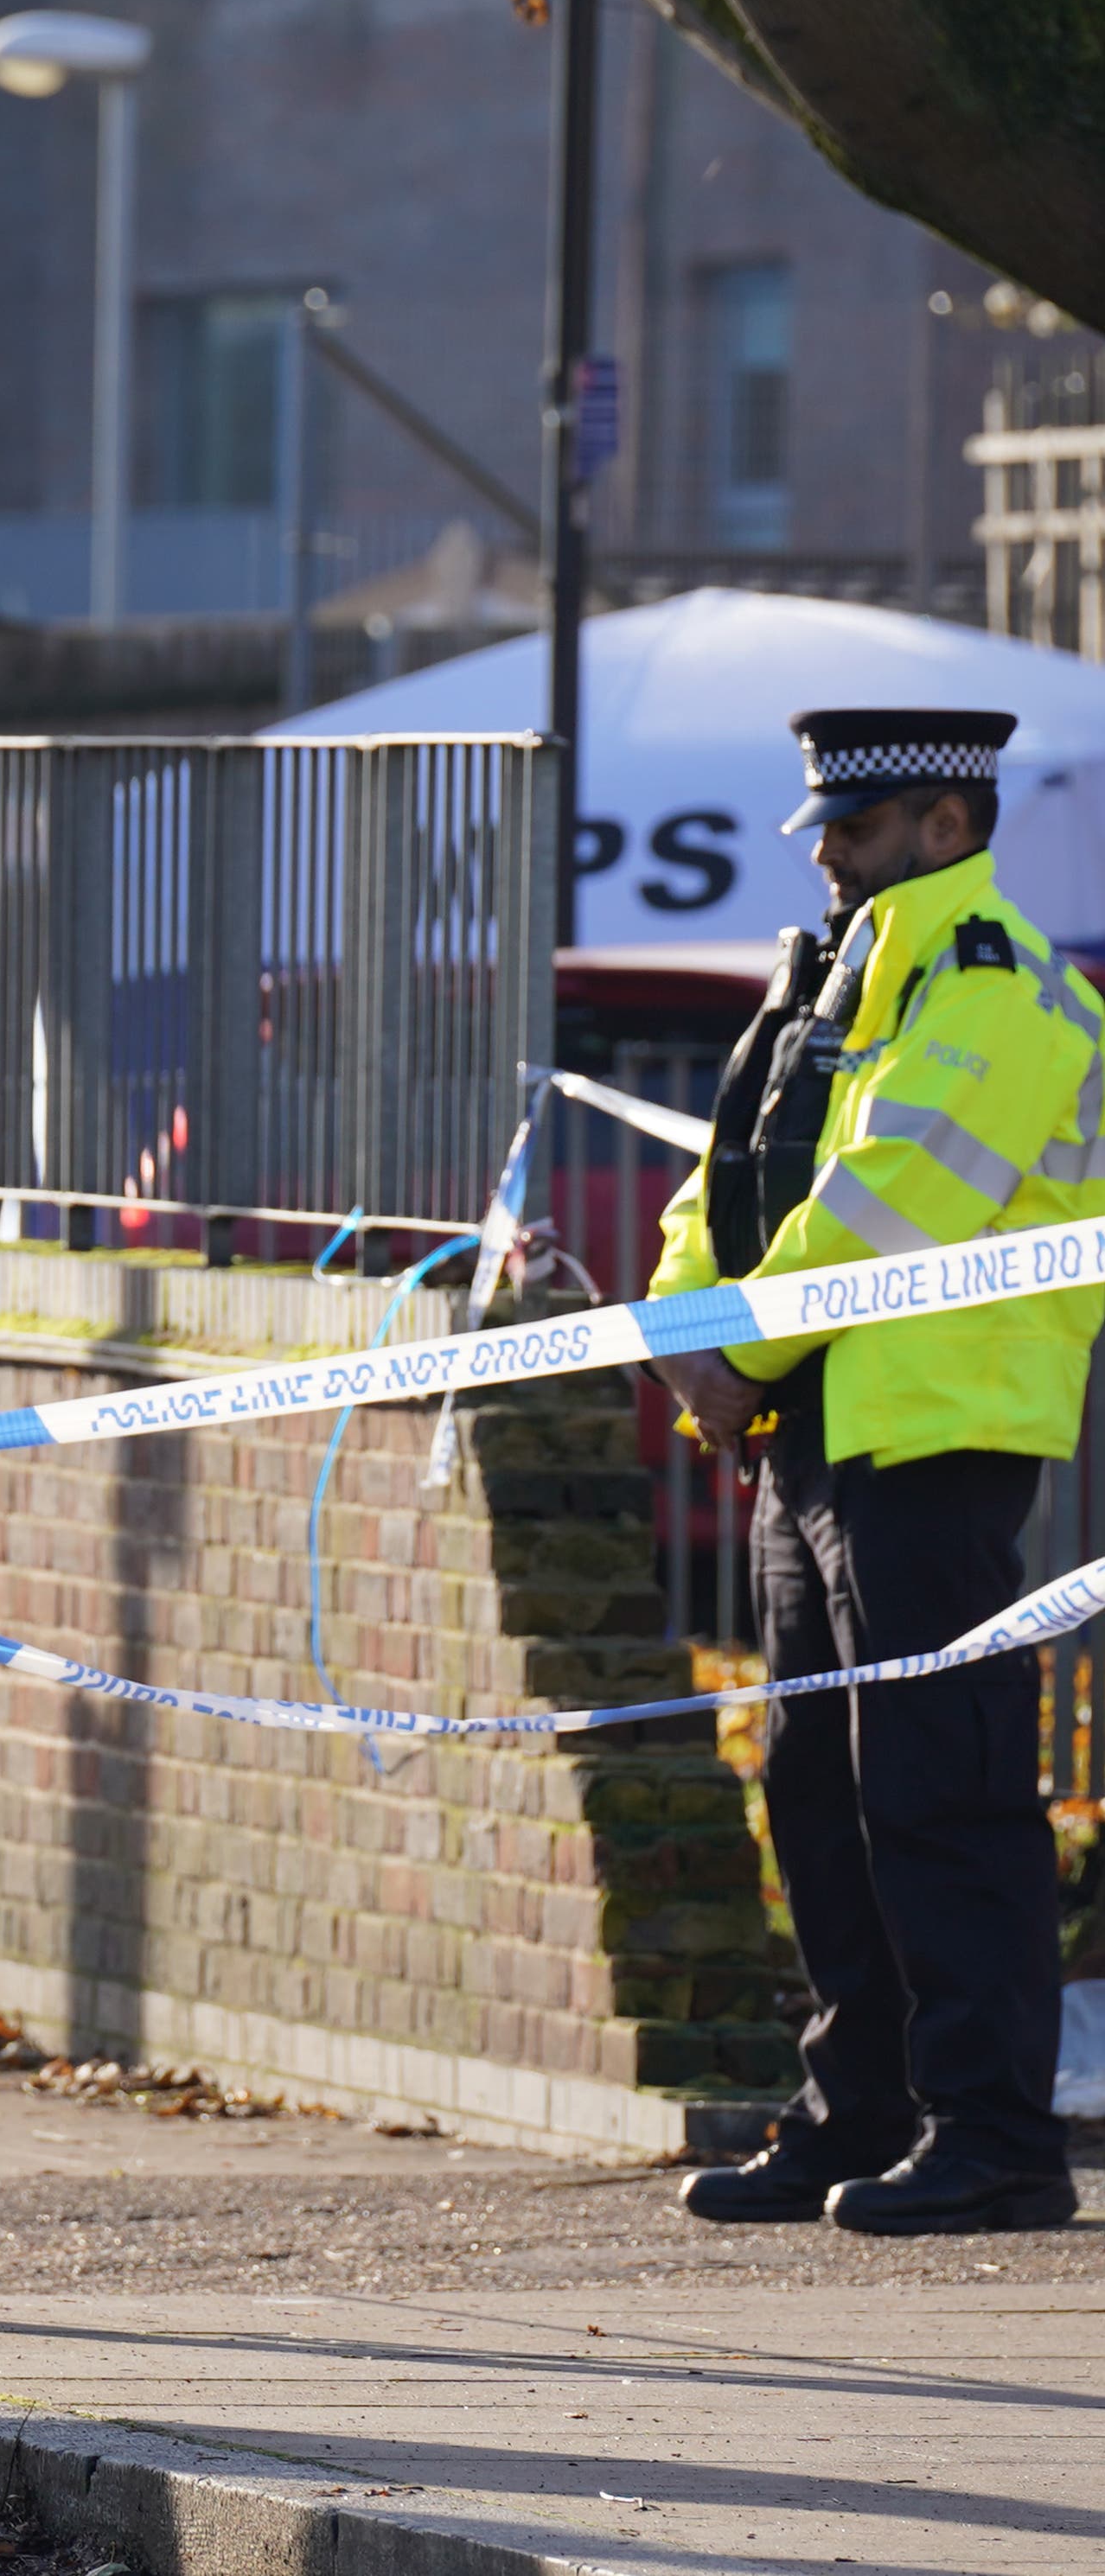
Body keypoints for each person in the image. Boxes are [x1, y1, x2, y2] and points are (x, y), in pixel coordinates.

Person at [653, 707, 1102, 2239]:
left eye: (851, 829)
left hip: (936, 1429)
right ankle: (861, 2111)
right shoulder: (831, 979)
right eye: (824, 832)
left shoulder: (994, 987)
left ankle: (996, 2137)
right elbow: (721, 1185)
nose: (827, 854)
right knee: (817, 1785)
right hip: (816, 1427)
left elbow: (889, 1203)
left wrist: (738, 1358)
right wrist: (691, 1344)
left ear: (943, 823)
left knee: (943, 1785)